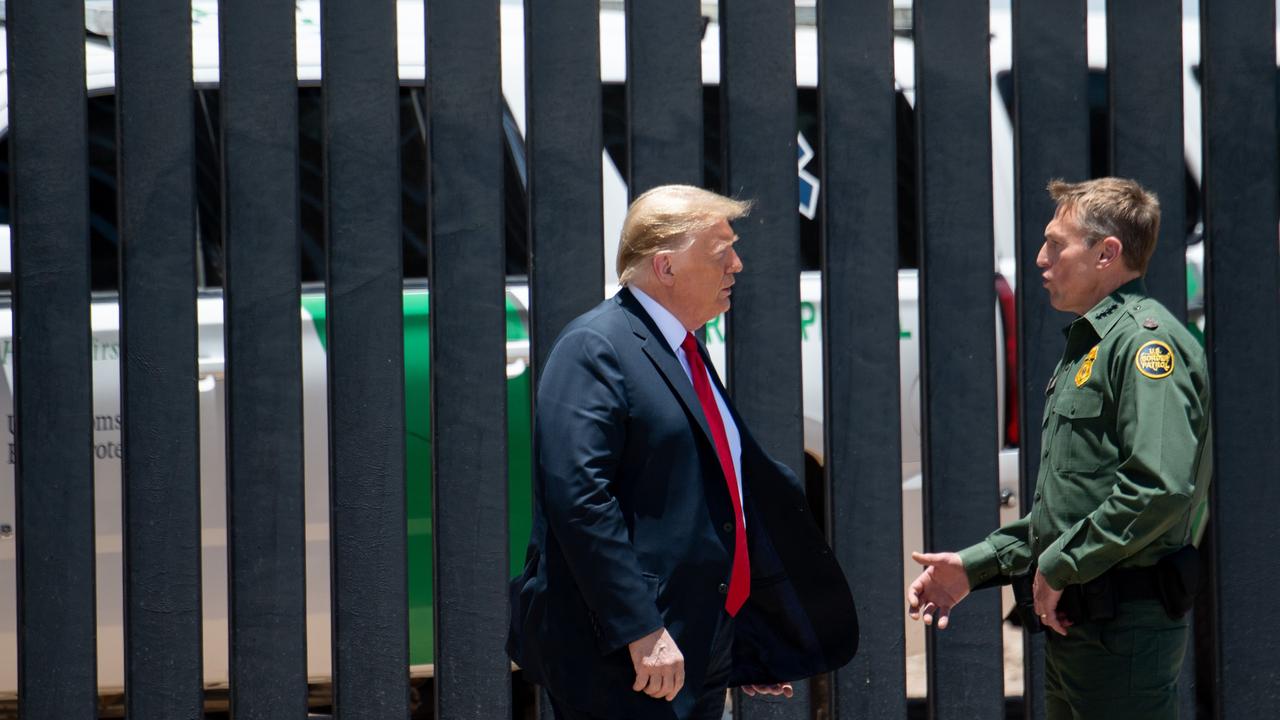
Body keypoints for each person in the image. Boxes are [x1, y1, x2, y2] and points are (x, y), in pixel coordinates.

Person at [508, 185, 858, 719]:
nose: (737, 265)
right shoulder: (595, 346)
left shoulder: (681, 350)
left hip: (694, 640)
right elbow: (579, 501)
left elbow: (712, 498)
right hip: (627, 654)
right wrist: (641, 629)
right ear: (665, 267)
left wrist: (743, 638)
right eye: (722, 252)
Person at [907, 177, 1212, 719]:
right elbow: (1071, 509)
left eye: (1055, 243)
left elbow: (1158, 487)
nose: (1040, 258)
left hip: (1123, 634)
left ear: (1106, 253)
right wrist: (972, 568)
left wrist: (1061, 564)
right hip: (1080, 624)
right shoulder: (1091, 343)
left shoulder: (1145, 344)